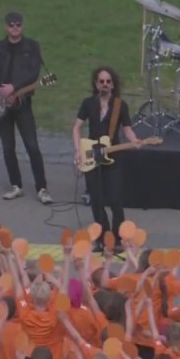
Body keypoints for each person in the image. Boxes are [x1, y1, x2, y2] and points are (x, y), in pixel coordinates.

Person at [72, 67, 144, 252]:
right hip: (91, 155)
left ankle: (118, 239)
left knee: (115, 199)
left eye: (108, 81)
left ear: (113, 85)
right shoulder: (88, 103)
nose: (104, 84)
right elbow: (77, 127)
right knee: (96, 200)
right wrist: (78, 150)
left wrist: (134, 139)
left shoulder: (120, 105)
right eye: (101, 81)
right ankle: (102, 238)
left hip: (113, 156)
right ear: (96, 84)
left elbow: (126, 128)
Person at [0, 11, 51, 204]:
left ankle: (42, 188)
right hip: (1, 104)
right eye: (11, 25)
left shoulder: (32, 46)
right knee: (8, 147)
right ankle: (16, 185)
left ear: (23, 26)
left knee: (32, 146)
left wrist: (14, 87)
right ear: (5, 27)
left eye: (18, 24)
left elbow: (33, 73)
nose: (15, 28)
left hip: (23, 104)